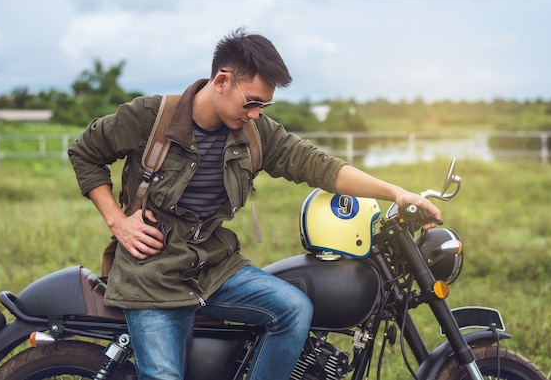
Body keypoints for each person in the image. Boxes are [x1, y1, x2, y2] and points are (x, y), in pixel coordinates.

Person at [68, 27, 441, 380]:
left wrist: (396, 193)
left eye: (264, 104)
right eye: (252, 102)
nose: (256, 113)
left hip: (213, 264)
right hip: (150, 274)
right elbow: (85, 151)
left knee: (294, 309)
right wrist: (117, 221)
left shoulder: (255, 133)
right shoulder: (149, 118)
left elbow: (321, 167)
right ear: (221, 81)